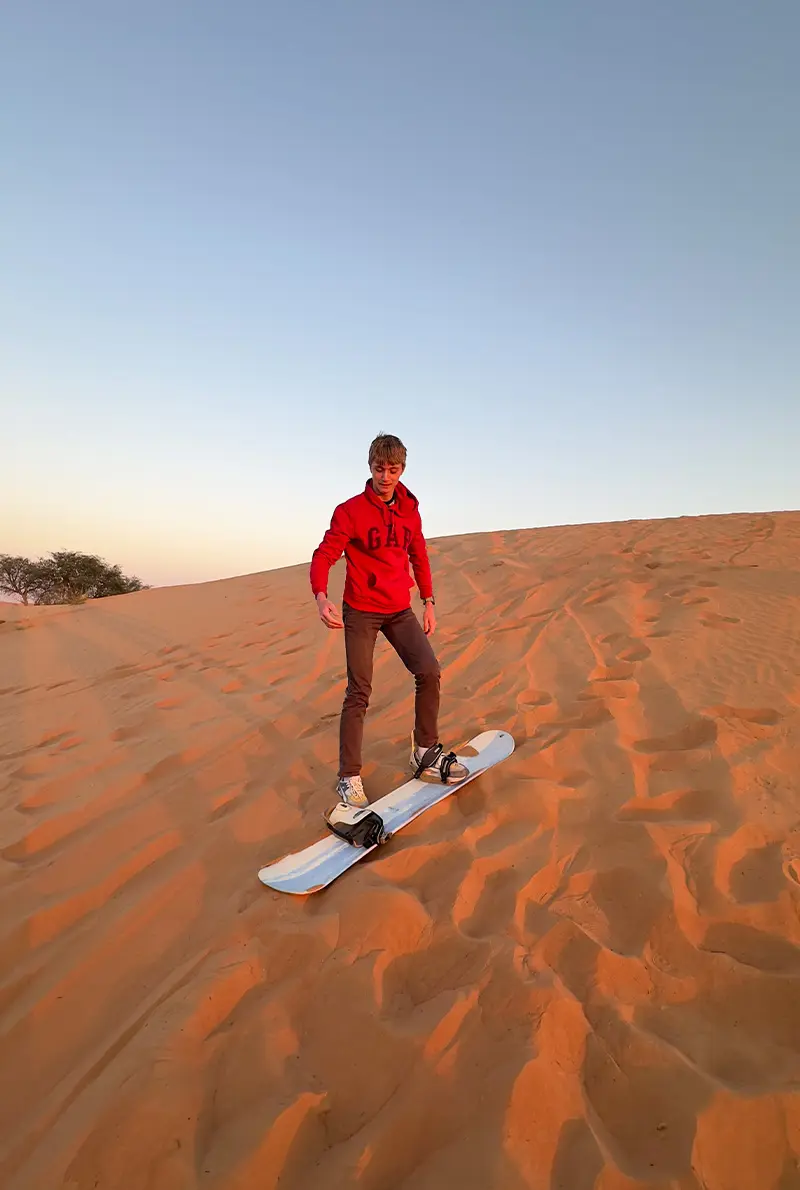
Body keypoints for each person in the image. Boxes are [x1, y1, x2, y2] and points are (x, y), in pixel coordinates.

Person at [310, 432, 468, 807]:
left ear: (402, 470)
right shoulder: (349, 511)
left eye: (393, 470)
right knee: (359, 692)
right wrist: (320, 595)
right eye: (379, 468)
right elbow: (324, 554)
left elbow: (419, 555)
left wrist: (428, 600)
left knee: (429, 670)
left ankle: (425, 749)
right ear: (370, 467)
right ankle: (349, 776)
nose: (385, 476)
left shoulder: (410, 510)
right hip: (361, 610)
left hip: (399, 609)